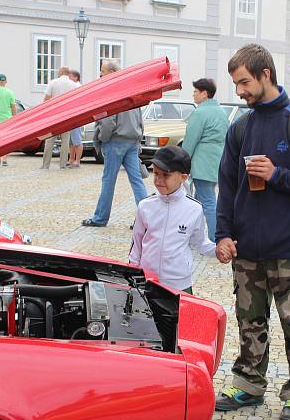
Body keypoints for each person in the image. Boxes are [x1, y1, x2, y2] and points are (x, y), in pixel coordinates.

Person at [214, 44, 290, 420]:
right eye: (236, 84)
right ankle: (249, 384)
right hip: (247, 247)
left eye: (245, 82)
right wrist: (223, 234)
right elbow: (227, 185)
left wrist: (278, 175)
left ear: (266, 74)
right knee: (249, 320)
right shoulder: (240, 128)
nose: (240, 92)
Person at [129, 146, 216, 293]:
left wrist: (219, 250)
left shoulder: (194, 209)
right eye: (156, 173)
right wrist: (133, 274)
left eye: (166, 175)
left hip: (179, 284)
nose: (159, 180)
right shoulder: (145, 206)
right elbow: (136, 245)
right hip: (147, 281)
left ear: (183, 177)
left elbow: (199, 242)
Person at [81, 61, 148, 228]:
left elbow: (107, 121)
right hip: (132, 140)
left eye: (102, 71)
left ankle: (100, 218)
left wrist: (102, 140)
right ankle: (147, 220)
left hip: (115, 141)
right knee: (137, 181)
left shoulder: (110, 91)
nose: (101, 75)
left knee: (108, 181)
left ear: (111, 72)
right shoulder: (132, 89)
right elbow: (139, 118)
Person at [182, 78, 229, 241]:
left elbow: (190, 140)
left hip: (202, 162)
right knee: (199, 201)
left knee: (207, 203)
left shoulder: (200, 112)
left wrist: (182, 162)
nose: (193, 94)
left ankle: (215, 239)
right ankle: (197, 236)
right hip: (216, 161)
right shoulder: (222, 112)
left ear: (204, 93)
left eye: (196, 91)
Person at [41, 67, 78, 169]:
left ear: (61, 72)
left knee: (49, 140)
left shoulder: (53, 83)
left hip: (53, 116)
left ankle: (45, 165)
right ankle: (62, 165)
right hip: (67, 116)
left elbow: (46, 99)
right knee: (65, 142)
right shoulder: (73, 85)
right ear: (68, 73)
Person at [67, 70, 84, 168]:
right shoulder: (74, 86)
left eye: (71, 77)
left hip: (76, 116)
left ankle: (77, 161)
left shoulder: (77, 87)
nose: (69, 79)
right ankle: (71, 159)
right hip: (72, 115)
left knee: (77, 139)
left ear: (76, 78)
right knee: (71, 140)